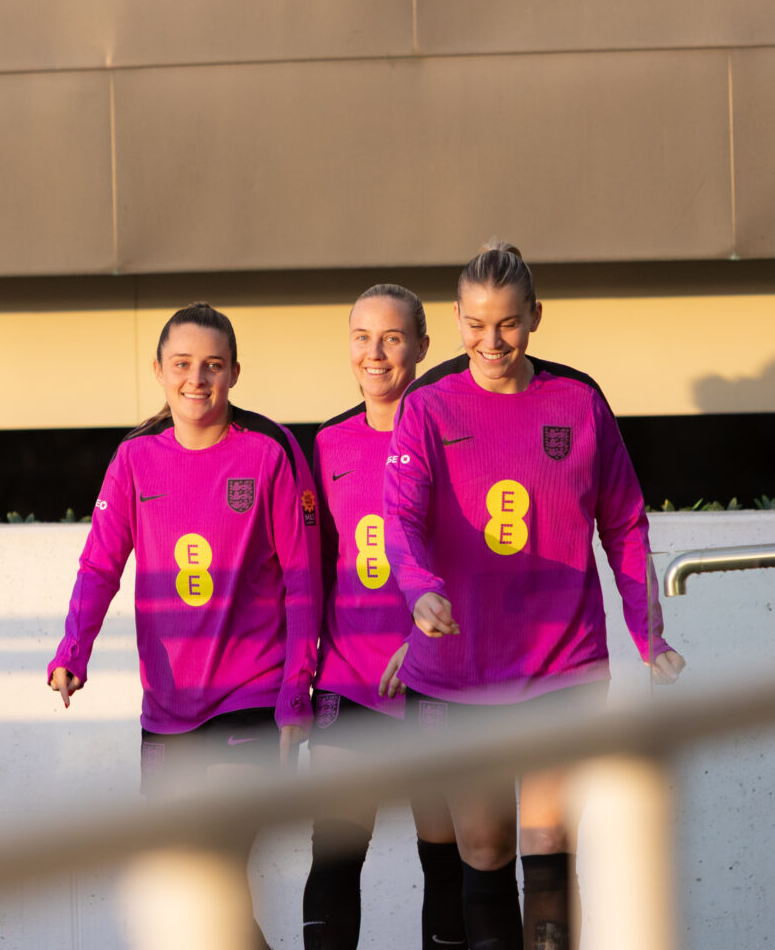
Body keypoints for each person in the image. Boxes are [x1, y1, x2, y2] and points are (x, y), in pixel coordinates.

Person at [381, 244, 686, 950]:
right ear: (456, 320)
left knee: (547, 844)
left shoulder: (577, 401)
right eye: (476, 325)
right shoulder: (428, 406)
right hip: (459, 672)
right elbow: (400, 518)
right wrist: (421, 591)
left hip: (561, 664)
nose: (491, 342)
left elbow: (623, 521)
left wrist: (648, 633)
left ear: (535, 317)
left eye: (508, 324)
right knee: (484, 851)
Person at [48, 302, 321, 942]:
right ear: (158, 371)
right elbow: (99, 564)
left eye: (213, 366)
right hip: (168, 710)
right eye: (182, 365)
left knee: (215, 867)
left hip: (249, 697)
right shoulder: (134, 458)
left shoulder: (270, 450)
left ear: (234, 374)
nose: (196, 379)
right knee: (195, 894)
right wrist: (72, 651)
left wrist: (295, 690)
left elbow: (303, 580)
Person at [302, 284, 467, 950]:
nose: (375, 353)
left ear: (422, 347)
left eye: (392, 338)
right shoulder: (327, 444)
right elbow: (313, 568)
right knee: (335, 858)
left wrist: (425, 640)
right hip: (350, 681)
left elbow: (477, 559)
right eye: (362, 337)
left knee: (448, 864)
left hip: (438, 676)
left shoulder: (453, 435)